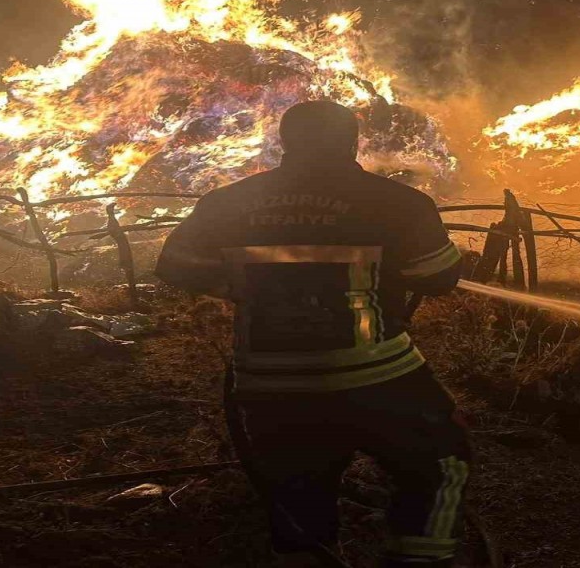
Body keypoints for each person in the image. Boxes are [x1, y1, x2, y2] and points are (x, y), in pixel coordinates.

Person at [156, 100, 467, 567]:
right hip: (375, 374)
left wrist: (241, 289)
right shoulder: (397, 203)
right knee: (441, 463)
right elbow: (439, 278)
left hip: (268, 381)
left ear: (286, 141)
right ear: (352, 142)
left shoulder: (228, 202)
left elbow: (174, 267)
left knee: (297, 492)